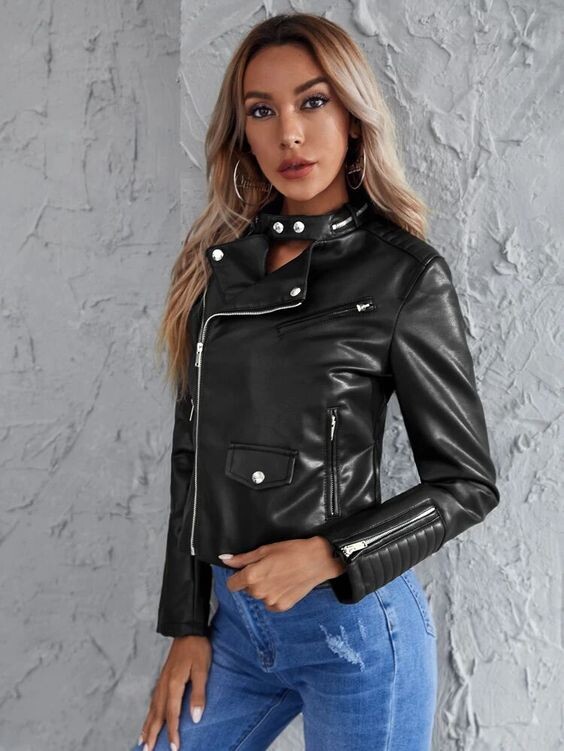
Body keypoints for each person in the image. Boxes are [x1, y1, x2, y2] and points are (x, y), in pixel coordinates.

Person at [132, 12, 500, 751]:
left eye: (313, 101)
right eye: (262, 111)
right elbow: (192, 458)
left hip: (355, 632)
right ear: (242, 134)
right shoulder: (220, 270)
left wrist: (332, 553)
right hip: (237, 631)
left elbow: (466, 483)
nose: (289, 135)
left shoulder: (403, 276)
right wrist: (187, 624)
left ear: (353, 117)